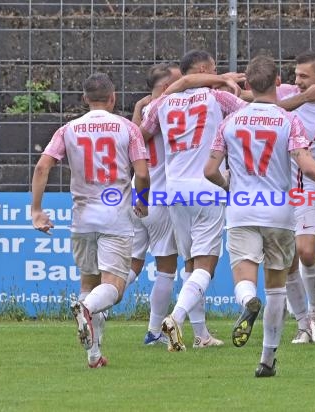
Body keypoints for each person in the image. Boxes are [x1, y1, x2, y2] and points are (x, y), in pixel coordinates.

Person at [204, 55, 315, 377]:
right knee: (277, 288)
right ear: (278, 81)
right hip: (279, 211)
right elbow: (308, 166)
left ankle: (247, 301)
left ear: (249, 85)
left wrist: (230, 187)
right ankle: (267, 360)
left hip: (241, 209)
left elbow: (210, 170)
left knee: (245, 278)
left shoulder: (230, 122)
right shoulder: (288, 120)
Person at [31, 72, 150, 367]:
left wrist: (36, 210)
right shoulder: (127, 129)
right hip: (115, 219)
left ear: (85, 99)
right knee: (114, 289)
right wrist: (142, 200)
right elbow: (143, 173)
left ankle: (94, 355)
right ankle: (85, 308)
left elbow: (43, 166)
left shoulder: (68, 129)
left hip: (83, 219)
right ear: (113, 98)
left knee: (89, 281)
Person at [140, 50, 246, 351]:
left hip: (174, 190)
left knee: (189, 265)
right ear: (203, 70)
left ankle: (201, 335)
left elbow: (143, 132)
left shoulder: (161, 103)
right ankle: (175, 317)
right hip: (207, 187)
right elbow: (253, 113)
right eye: (214, 69)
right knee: (206, 266)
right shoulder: (217, 98)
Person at [276, 51, 315, 344]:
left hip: (308, 185)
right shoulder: (288, 95)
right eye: (296, 75)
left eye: (304, 77)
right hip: (276, 187)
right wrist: (301, 97)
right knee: (287, 259)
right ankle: (302, 325)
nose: (296, 81)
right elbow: (256, 101)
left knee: (306, 252)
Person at [128, 63, 181, 346]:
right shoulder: (167, 111)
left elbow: (135, 136)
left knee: (134, 265)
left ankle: (94, 306)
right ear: (164, 89)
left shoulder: (145, 115)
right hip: (157, 198)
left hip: (136, 195)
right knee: (166, 268)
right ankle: (153, 332)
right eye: (178, 82)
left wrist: (138, 106)